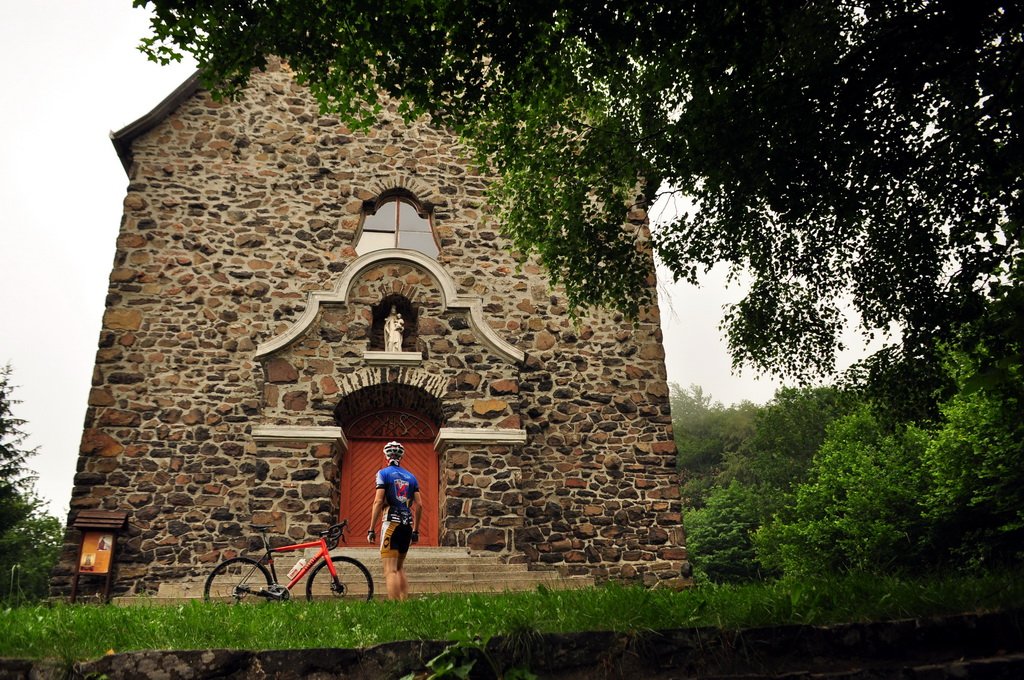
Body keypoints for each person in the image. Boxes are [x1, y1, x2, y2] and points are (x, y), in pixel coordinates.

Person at [367, 440, 422, 600]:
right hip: (407, 525)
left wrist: (371, 529)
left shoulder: (383, 473)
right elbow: (419, 505)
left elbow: (378, 501)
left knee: (389, 570)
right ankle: (404, 603)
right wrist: (416, 530)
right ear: (401, 457)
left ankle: (395, 606)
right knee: (399, 568)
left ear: (386, 456)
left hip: (391, 522)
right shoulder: (412, 477)